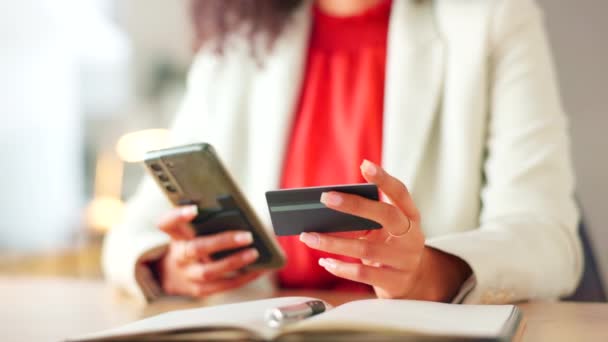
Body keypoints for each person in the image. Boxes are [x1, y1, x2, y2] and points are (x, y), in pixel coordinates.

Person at [103, 0, 583, 304]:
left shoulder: (493, 18)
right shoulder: (236, 36)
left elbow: (549, 239)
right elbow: (132, 232)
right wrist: (173, 266)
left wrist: (431, 273)